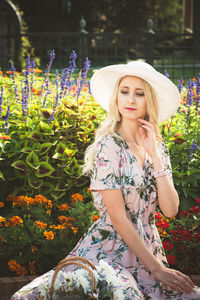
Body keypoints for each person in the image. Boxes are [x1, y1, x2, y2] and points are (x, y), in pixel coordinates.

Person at [12, 61, 200, 299]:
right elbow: (118, 218)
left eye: (139, 94)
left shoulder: (158, 148)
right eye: (125, 91)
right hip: (108, 253)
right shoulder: (108, 146)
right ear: (117, 97)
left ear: (149, 101)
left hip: (149, 250)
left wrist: (155, 155)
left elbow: (171, 209)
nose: (130, 99)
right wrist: (158, 269)